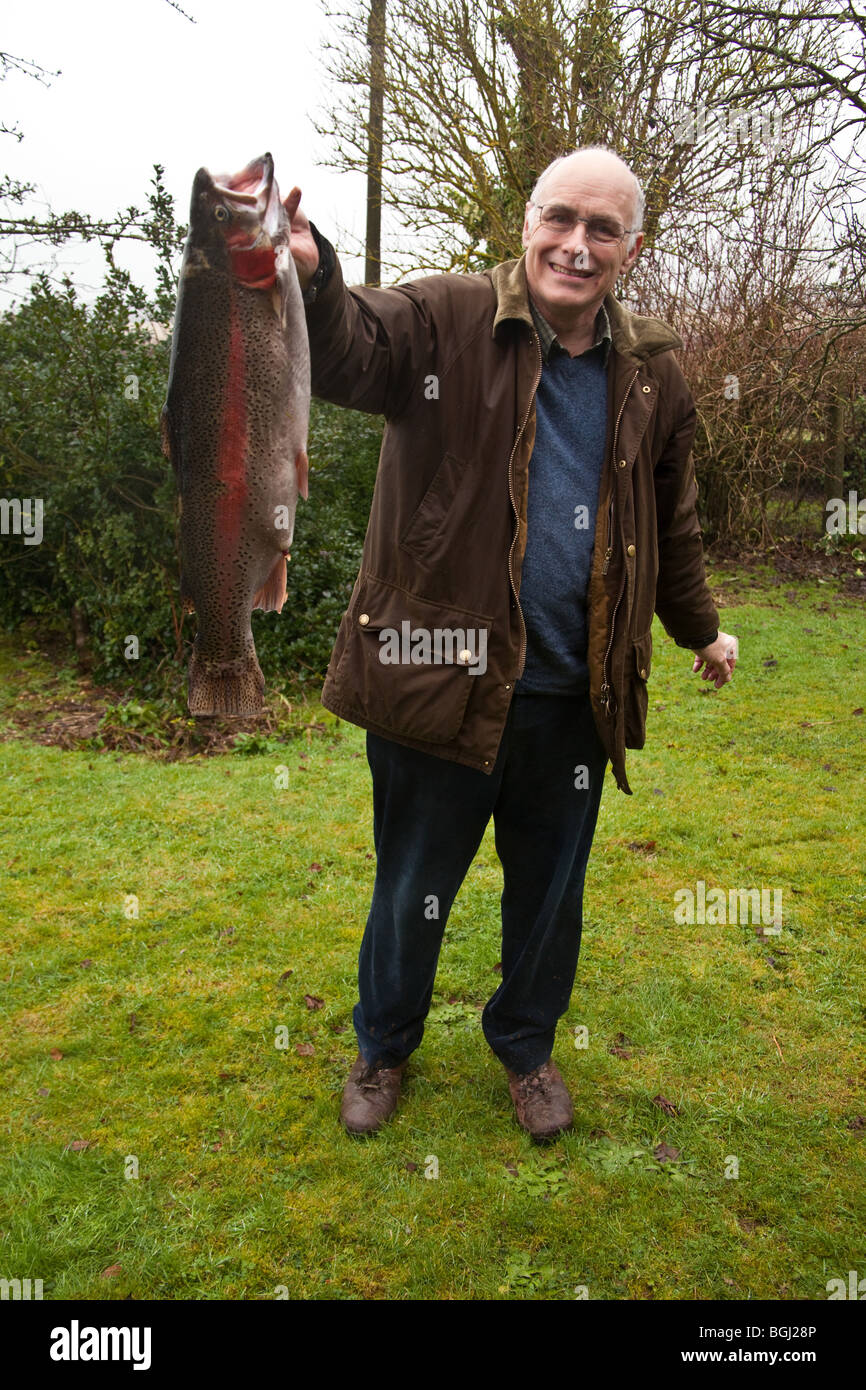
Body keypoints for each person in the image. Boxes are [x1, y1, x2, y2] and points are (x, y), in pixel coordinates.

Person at [288, 146, 737, 1140]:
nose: (575, 246)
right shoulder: (446, 319)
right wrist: (312, 270)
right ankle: (383, 1045)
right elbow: (351, 347)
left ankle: (525, 1048)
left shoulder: (651, 373)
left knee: (548, 899)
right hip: (434, 681)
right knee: (413, 888)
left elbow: (672, 523)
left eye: (602, 229)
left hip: (572, 696)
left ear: (629, 246)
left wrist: (699, 631)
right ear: (527, 221)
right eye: (560, 220)